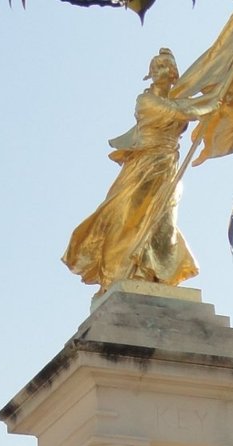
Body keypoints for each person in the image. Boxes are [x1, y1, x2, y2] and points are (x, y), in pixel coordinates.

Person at [62, 48, 221, 289]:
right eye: (157, 67)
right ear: (150, 73)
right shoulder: (146, 101)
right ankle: (117, 272)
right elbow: (181, 112)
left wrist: (218, 97)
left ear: (174, 73)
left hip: (168, 168)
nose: (161, 71)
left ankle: (155, 273)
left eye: (166, 66)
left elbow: (189, 109)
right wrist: (211, 103)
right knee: (127, 215)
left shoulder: (178, 100)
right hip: (143, 166)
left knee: (163, 219)